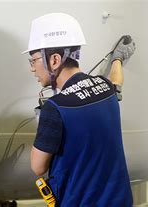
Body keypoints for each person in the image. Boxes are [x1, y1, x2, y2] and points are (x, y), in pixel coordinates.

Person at [23, 13, 136, 206]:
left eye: (33, 60)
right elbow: (116, 82)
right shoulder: (105, 88)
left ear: (55, 60)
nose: (32, 68)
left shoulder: (56, 108)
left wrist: (45, 124)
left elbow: (37, 166)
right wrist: (117, 59)